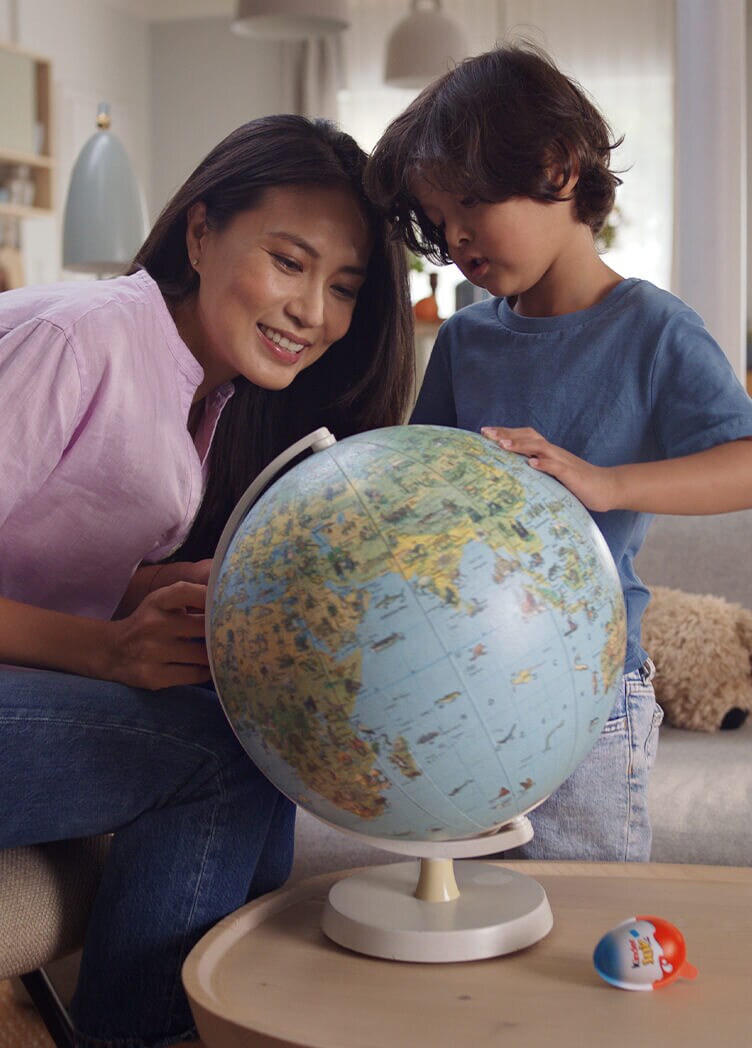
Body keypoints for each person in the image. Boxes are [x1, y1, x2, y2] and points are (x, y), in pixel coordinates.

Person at [0, 114, 414, 1048]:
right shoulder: (82, 340)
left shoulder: (200, 392)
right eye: (289, 262)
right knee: (218, 758)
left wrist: (152, 589)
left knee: (257, 723)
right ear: (200, 233)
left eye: (344, 288)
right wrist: (105, 650)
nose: (313, 311)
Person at [365, 43, 752, 863]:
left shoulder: (654, 330)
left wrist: (607, 484)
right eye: (439, 220)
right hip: (462, 684)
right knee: (471, 903)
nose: (455, 236)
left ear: (558, 167)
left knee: (581, 910)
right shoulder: (464, 341)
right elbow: (421, 491)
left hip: (589, 686)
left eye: (472, 202)